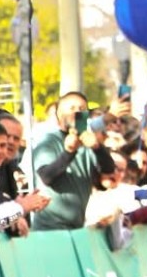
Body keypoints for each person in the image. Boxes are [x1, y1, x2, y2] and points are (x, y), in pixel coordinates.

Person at [31, 92, 117, 231]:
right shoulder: (48, 140)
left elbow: (108, 171)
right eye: (71, 108)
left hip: (77, 225)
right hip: (50, 227)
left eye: (82, 109)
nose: (77, 112)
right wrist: (69, 152)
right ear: (59, 114)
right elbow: (46, 176)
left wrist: (97, 147)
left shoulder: (87, 140)